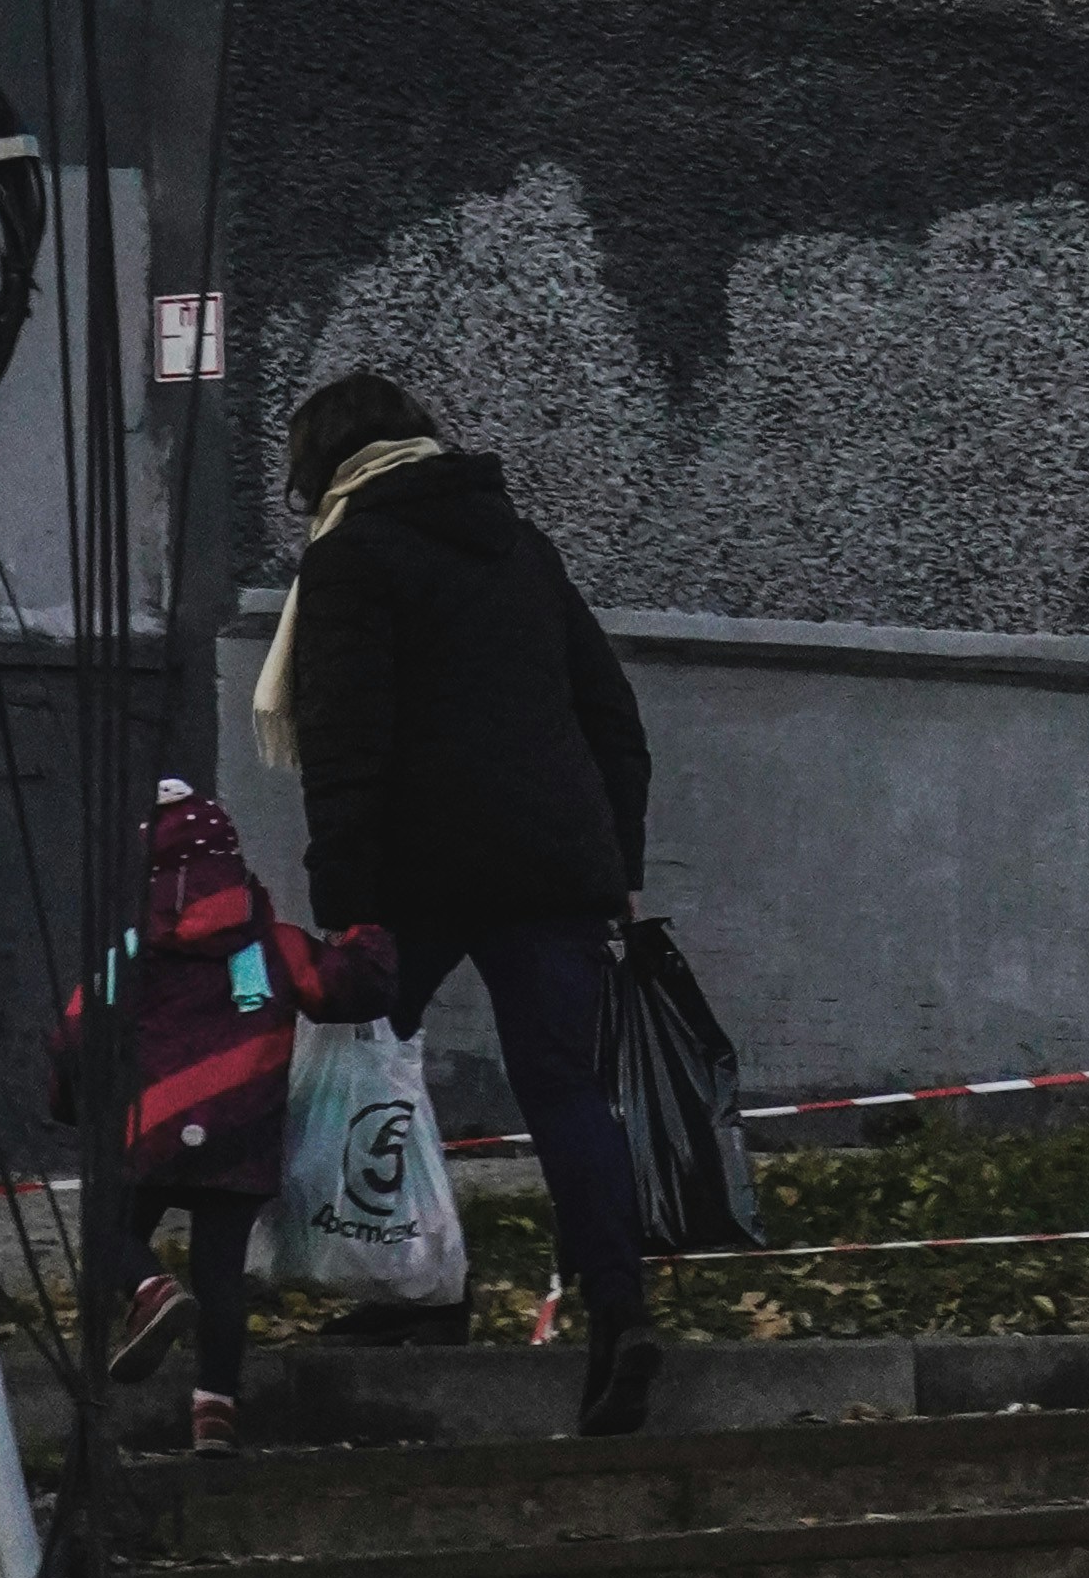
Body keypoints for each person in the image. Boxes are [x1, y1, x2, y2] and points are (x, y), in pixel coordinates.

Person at [255, 368, 663, 1432]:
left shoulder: (351, 560)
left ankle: (416, 1293)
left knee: (373, 1067)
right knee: (566, 1092)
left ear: (323, 469)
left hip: (421, 874)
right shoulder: (525, 553)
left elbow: (345, 745)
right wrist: (618, 857)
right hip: (552, 867)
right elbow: (611, 715)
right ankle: (622, 1314)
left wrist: (343, 900)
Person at [47, 775, 392, 1455]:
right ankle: (215, 1414)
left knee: (110, 1228)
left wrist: (71, 1108)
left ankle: (146, 1294)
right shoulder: (277, 947)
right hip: (241, 1132)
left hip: (149, 1131)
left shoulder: (130, 955)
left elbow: (75, 1037)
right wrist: (368, 929)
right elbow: (353, 986)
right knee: (220, 1273)